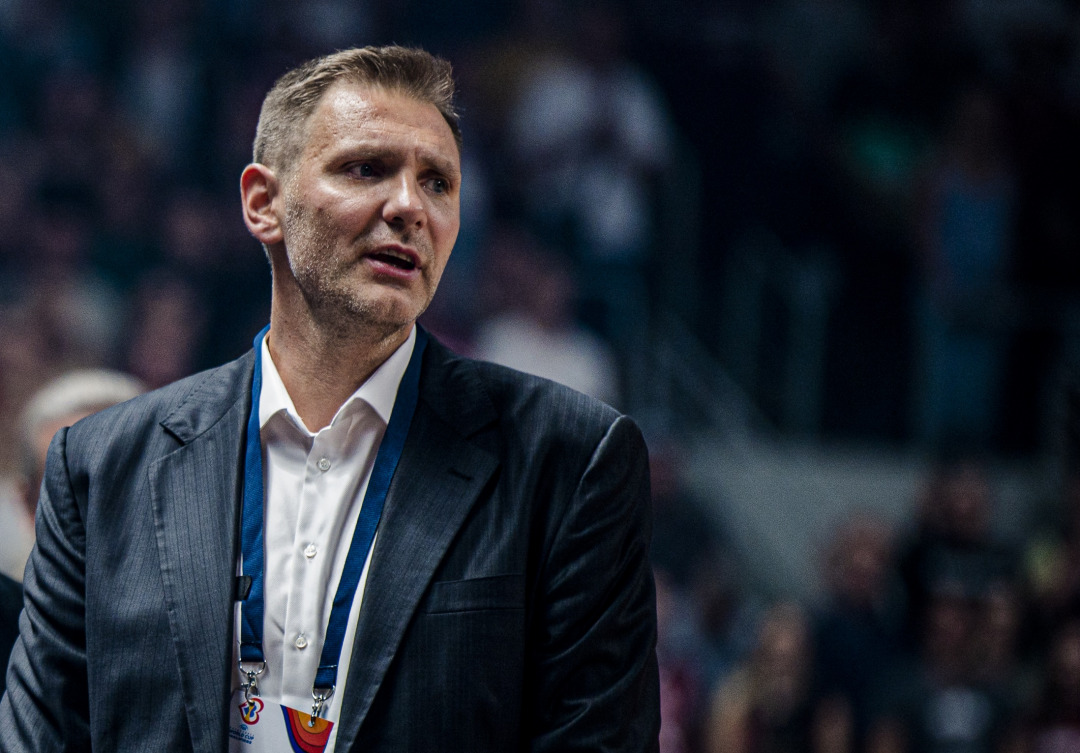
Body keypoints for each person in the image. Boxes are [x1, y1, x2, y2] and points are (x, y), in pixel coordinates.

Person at [0, 45, 659, 752]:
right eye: (366, 169)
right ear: (264, 203)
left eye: (438, 183)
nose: (410, 207)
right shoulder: (99, 466)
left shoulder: (569, 460)